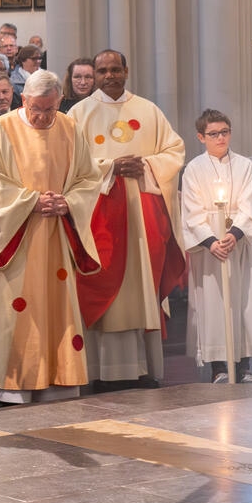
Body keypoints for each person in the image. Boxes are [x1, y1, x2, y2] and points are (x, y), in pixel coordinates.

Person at [0, 70, 103, 402]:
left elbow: (89, 178)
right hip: (17, 238)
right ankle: (14, 386)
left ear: (59, 102)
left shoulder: (70, 128)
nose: (42, 117)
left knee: (56, 306)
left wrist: (68, 202)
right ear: (23, 99)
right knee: (16, 308)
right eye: (35, 109)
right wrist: (30, 202)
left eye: (49, 109)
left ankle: (60, 378)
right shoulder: (1, 130)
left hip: (56, 234)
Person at [70, 50, 185, 386]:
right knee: (105, 283)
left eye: (116, 69)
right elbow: (71, 164)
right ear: (94, 74)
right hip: (101, 218)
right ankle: (98, 369)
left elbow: (174, 151)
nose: (110, 76)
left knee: (142, 284)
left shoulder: (148, 110)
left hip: (141, 215)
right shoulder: (80, 113)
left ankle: (146, 368)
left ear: (126, 71)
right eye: (103, 71)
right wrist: (110, 168)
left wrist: (147, 165)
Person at [180, 110, 252, 383]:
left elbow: (251, 205)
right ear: (201, 137)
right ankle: (219, 368)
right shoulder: (194, 169)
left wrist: (234, 234)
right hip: (210, 252)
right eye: (214, 134)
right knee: (214, 306)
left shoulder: (244, 166)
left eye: (225, 132)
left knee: (245, 303)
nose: (221, 138)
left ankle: (245, 366)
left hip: (238, 246)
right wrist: (212, 242)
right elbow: (191, 213)